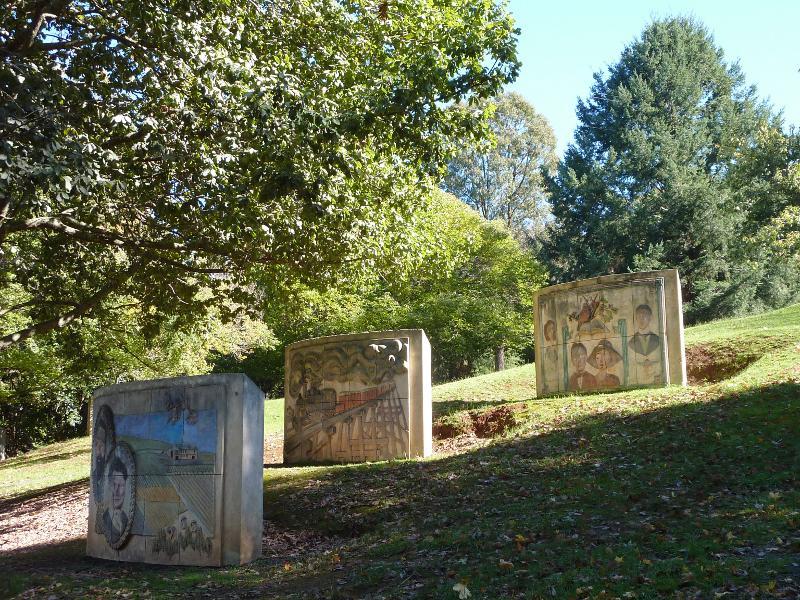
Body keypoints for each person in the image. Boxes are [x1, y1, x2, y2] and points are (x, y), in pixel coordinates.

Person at [102, 456, 129, 546]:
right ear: (109, 485)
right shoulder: (104, 519)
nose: (117, 491)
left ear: (125, 488)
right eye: (114, 484)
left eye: (121, 485)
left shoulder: (126, 519)